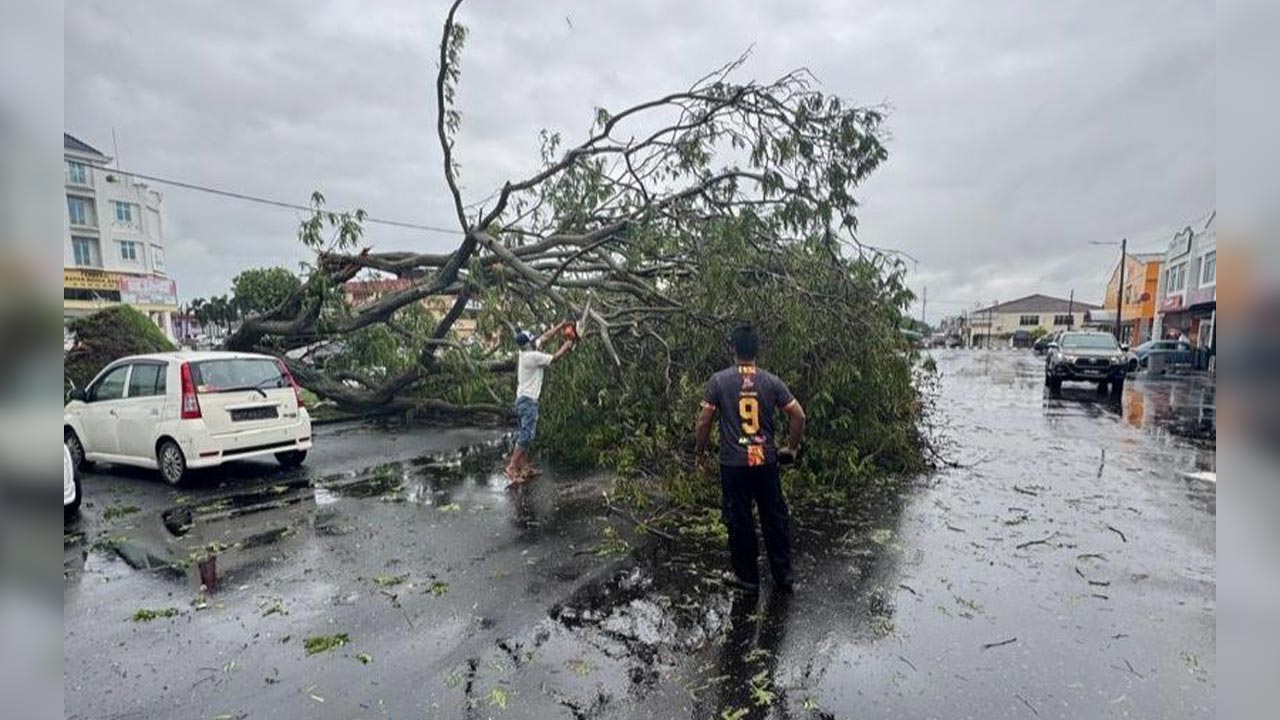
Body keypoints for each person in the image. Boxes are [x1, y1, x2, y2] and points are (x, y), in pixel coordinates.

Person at [695, 324, 806, 592]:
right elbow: (798, 415)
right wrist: (791, 447)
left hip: (733, 464)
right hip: (765, 461)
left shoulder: (719, 381)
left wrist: (700, 453)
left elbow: (704, 422)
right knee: (774, 517)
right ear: (757, 350)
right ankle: (783, 574)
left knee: (739, 518)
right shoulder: (771, 381)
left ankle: (747, 577)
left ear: (733, 349)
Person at [505, 321, 575, 484]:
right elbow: (555, 358)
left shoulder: (525, 351)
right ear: (528, 344)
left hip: (522, 399)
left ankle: (525, 468)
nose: (535, 341)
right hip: (528, 400)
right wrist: (569, 343)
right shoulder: (532, 357)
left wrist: (560, 326)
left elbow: (544, 337)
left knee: (525, 433)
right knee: (527, 435)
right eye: (532, 340)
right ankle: (512, 466)